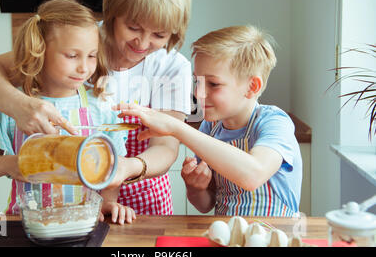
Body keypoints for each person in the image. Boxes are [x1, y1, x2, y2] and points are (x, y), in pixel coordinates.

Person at [0, 0, 193, 216]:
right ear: (113, 14)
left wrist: (123, 169)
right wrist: (20, 107)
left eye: (159, 35)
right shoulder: (80, 38)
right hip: (74, 207)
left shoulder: (173, 67)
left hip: (145, 196)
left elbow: (165, 148)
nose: (142, 43)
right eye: (133, 27)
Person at [0, 0, 136, 224]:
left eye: (91, 56)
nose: (84, 67)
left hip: (83, 223)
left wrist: (108, 201)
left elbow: (111, 166)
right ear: (39, 51)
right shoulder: (12, 105)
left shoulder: (102, 108)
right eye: (72, 56)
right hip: (24, 223)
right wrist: (7, 164)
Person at [115, 26, 303, 217]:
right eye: (197, 81)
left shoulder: (275, 122)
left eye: (213, 84)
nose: (199, 93)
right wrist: (196, 188)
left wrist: (176, 128)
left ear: (252, 86)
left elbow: (253, 174)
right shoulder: (210, 128)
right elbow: (206, 205)